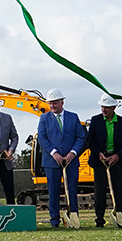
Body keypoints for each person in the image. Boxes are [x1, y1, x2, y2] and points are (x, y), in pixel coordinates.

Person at [36, 89, 83, 227]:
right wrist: (54, 152)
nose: (52, 106)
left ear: (62, 102)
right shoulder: (44, 118)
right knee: (53, 192)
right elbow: (42, 138)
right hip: (51, 162)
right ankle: (54, 220)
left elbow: (80, 137)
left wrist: (73, 153)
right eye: (50, 103)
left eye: (55, 103)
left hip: (71, 162)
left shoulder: (73, 117)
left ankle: (74, 218)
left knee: (72, 190)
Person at [83, 95, 122, 228]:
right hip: (100, 161)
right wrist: (99, 153)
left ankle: (119, 216)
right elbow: (90, 140)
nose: (104, 109)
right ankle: (99, 219)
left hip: (117, 161)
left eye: (107, 107)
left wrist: (118, 156)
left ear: (114, 108)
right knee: (100, 191)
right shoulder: (96, 120)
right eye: (102, 107)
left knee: (117, 190)